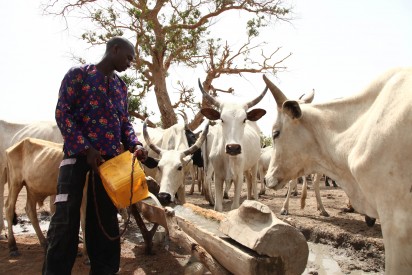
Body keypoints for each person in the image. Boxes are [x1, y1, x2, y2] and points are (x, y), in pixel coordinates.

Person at [43, 36, 148, 275]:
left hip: (109, 165)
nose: (130, 63)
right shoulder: (78, 75)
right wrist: (85, 147)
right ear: (115, 49)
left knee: (105, 222)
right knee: (65, 221)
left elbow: (124, 123)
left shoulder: (121, 87)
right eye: (129, 57)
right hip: (75, 158)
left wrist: (135, 144)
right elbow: (63, 114)